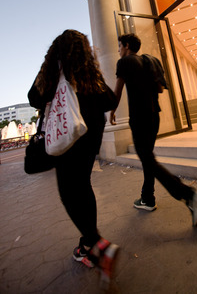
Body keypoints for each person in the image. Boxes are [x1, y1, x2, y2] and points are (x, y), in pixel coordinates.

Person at [28, 30, 119, 278]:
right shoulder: (89, 73)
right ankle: (88, 244)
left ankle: (99, 243)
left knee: (68, 194)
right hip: (91, 135)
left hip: (67, 136)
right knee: (83, 185)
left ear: (56, 51)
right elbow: (110, 100)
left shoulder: (54, 72)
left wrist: (50, 72)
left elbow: (33, 97)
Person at [110, 33, 197, 227]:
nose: (119, 50)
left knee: (147, 159)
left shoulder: (125, 62)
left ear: (126, 45)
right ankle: (147, 198)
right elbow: (160, 88)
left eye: (119, 46)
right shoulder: (150, 61)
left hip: (139, 117)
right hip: (154, 116)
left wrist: (111, 111)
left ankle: (188, 195)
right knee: (148, 158)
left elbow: (117, 91)